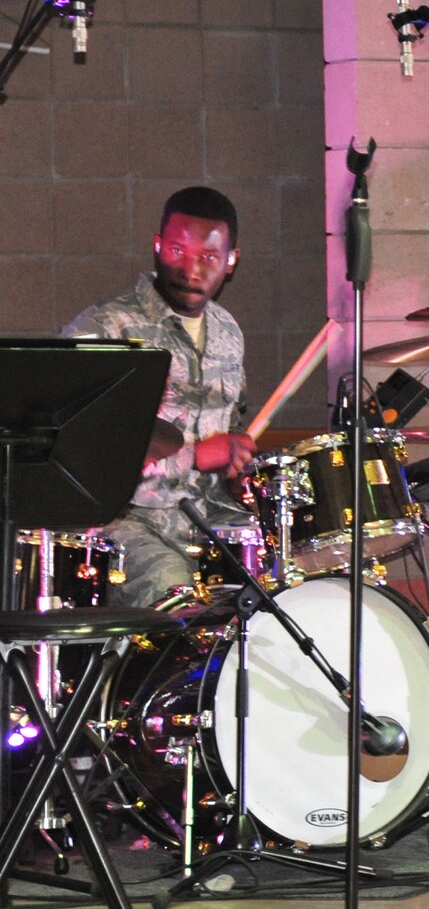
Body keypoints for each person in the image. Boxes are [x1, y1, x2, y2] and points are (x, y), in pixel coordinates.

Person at [62, 186, 257, 609]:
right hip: (124, 524)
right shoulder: (105, 328)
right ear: (156, 247)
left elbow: (234, 423)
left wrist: (239, 459)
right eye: (176, 249)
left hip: (208, 519)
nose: (191, 269)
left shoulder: (228, 331)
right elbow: (76, 455)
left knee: (281, 581)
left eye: (208, 257)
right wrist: (195, 455)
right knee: (176, 591)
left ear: (231, 261)